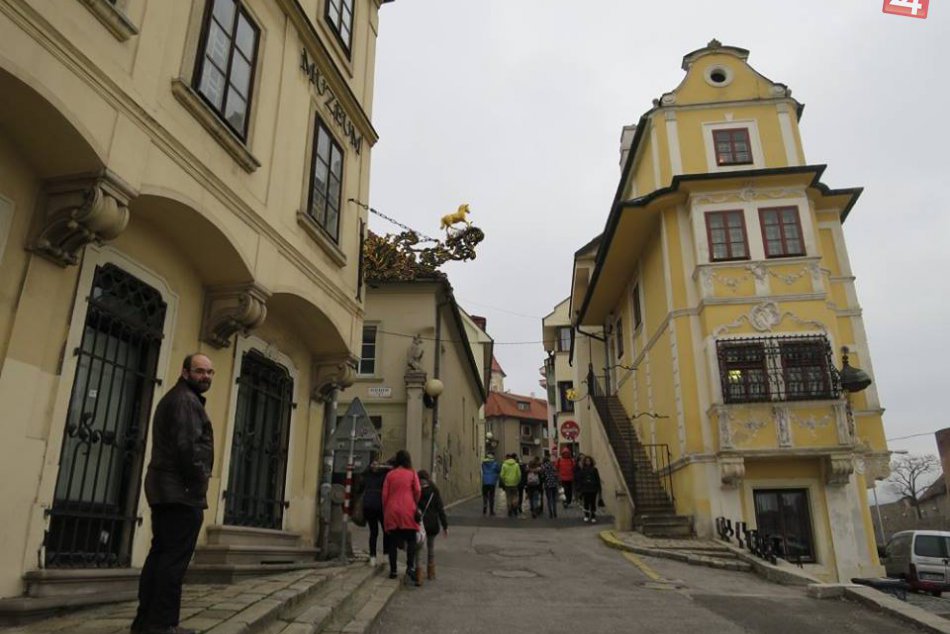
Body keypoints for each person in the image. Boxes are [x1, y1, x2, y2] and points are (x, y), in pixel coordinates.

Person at [133, 353, 215, 634]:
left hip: (167, 489)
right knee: (172, 562)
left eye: (209, 372)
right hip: (179, 492)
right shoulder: (185, 401)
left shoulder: (180, 398)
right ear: (185, 372)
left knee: (161, 556)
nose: (205, 376)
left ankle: (146, 623)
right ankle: (163, 624)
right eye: (200, 371)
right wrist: (200, 480)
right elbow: (188, 449)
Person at [383, 450, 422, 586]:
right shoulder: (412, 473)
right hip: (408, 510)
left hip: (392, 510)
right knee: (411, 539)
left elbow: (384, 495)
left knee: (392, 542)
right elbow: (417, 490)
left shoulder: (390, 475)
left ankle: (393, 571)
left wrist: (386, 509)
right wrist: (414, 502)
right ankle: (409, 567)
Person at [417, 470, 448, 583]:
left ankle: (418, 575)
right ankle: (431, 573)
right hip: (432, 524)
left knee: (418, 550)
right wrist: (445, 526)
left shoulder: (416, 490)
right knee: (431, 548)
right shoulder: (434, 491)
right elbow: (440, 509)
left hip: (420, 524)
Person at [361, 459, 392, 566]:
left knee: (375, 532)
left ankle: (374, 557)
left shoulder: (367, 475)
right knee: (383, 531)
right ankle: (384, 556)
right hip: (380, 506)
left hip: (370, 505)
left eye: (376, 464)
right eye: (373, 464)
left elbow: (360, 487)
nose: (375, 466)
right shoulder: (384, 475)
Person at [576, 455, 602, 524]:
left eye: (589, 461)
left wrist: (598, 488)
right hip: (585, 489)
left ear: (591, 462)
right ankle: (586, 515)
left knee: (593, 503)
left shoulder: (594, 469)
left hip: (593, 489)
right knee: (586, 503)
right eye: (586, 461)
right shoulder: (582, 470)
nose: (588, 462)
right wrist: (579, 488)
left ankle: (593, 516)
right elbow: (580, 480)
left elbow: (597, 479)